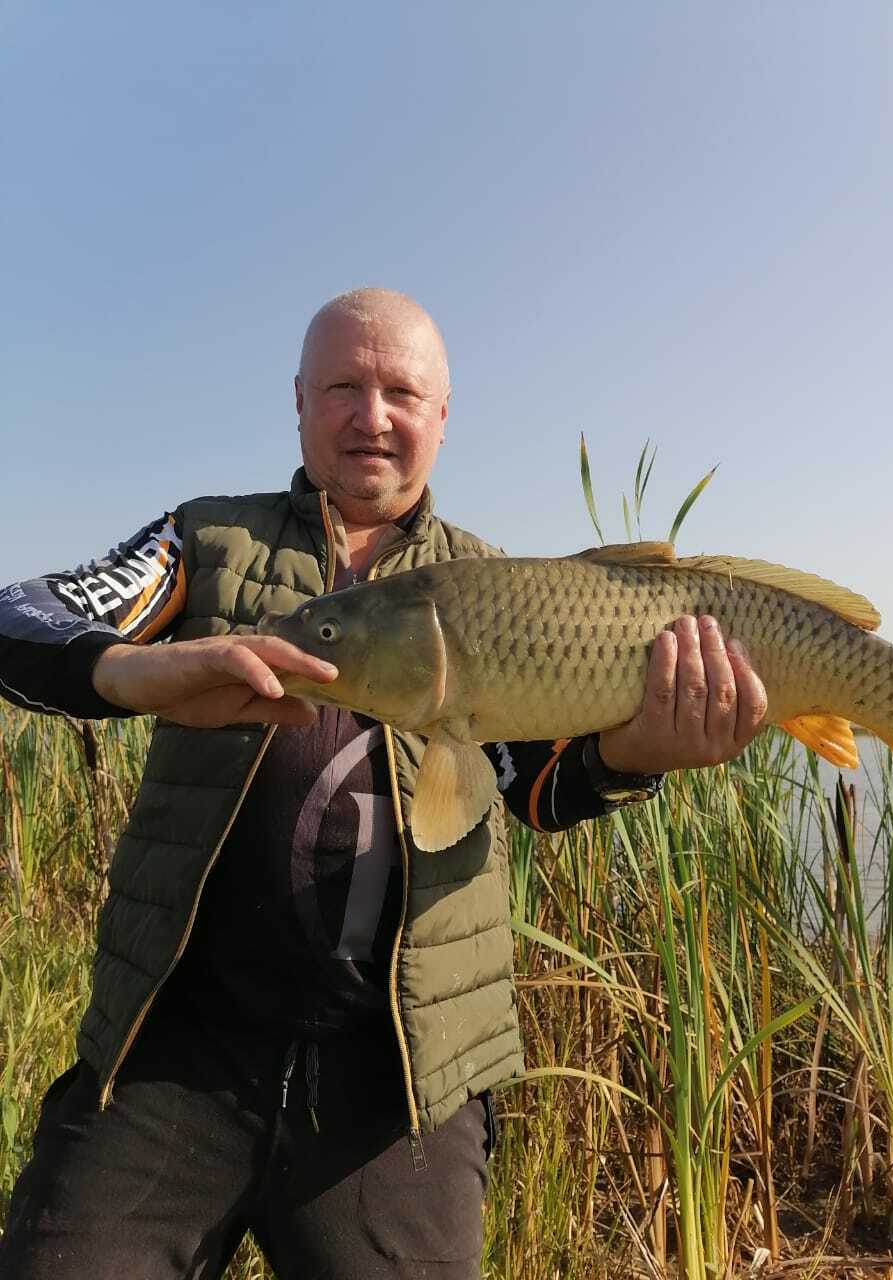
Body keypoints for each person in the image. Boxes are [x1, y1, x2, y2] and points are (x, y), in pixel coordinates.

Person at [0, 289, 767, 1279]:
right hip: (174, 1053)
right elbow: (24, 615)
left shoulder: (506, 584)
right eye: (343, 388)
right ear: (299, 402)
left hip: (400, 1078)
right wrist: (124, 671)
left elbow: (530, 784)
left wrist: (633, 757)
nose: (372, 416)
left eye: (401, 391)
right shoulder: (203, 541)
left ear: (442, 416)